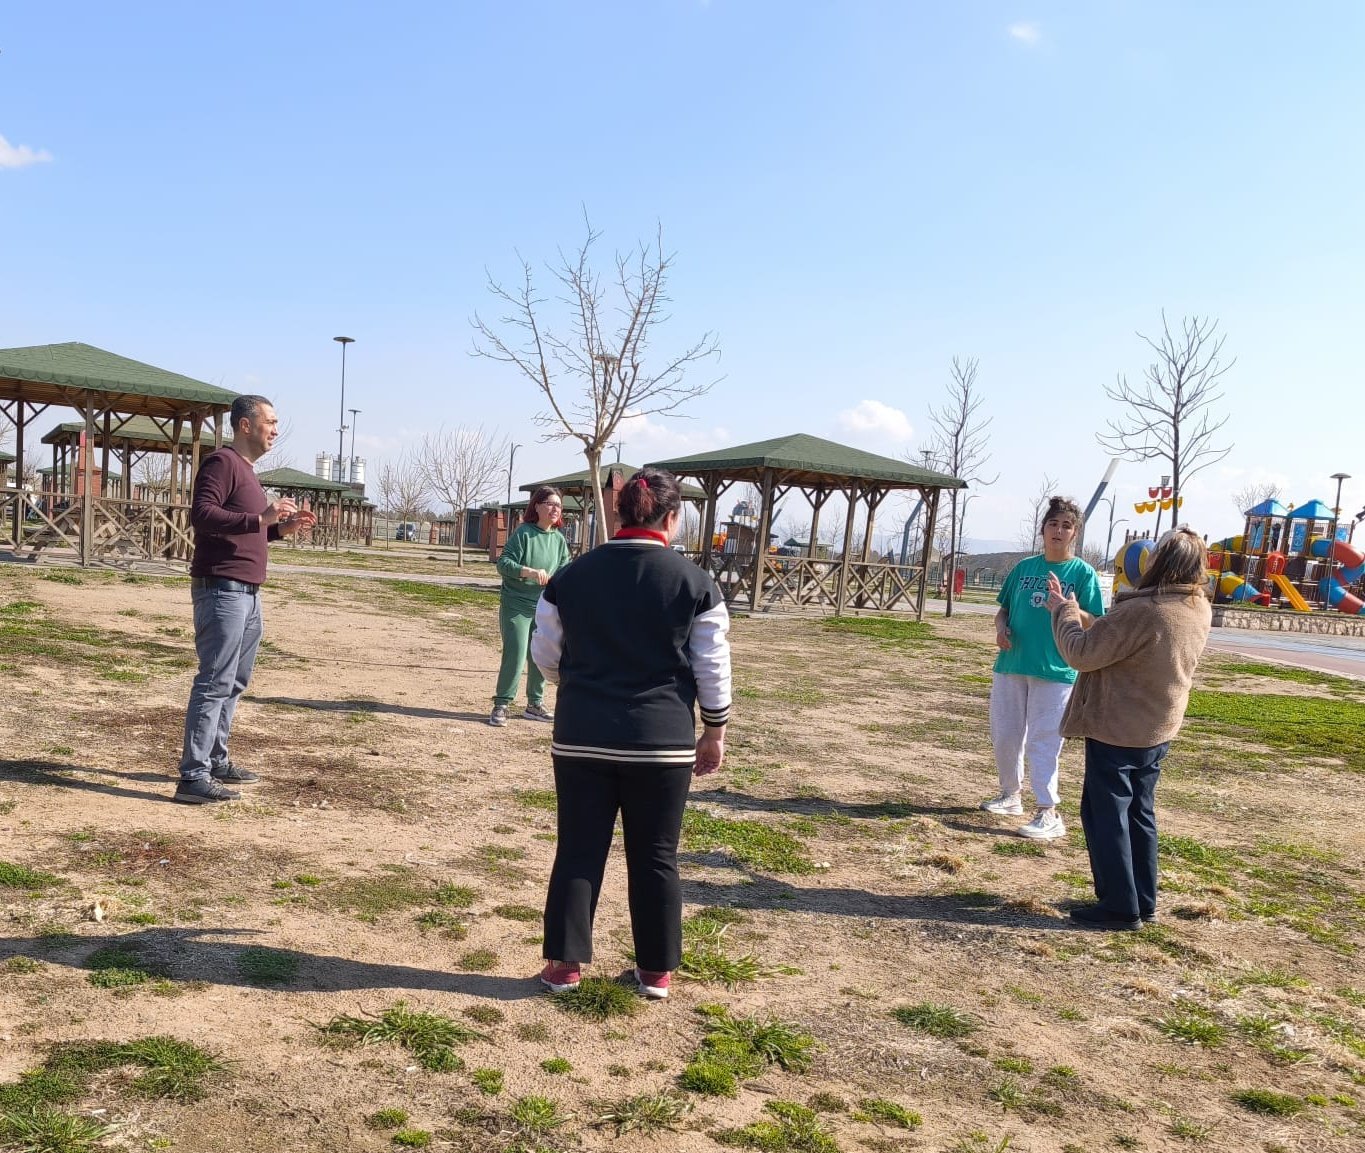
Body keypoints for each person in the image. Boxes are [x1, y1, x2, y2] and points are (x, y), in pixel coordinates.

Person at [530, 468, 731, 1001]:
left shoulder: (571, 577)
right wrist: (714, 729)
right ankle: (656, 971)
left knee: (578, 847)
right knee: (656, 854)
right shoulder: (697, 584)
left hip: (582, 734)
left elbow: (545, 655)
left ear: (617, 514)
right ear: (672, 517)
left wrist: (576, 685)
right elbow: (711, 666)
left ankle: (564, 965)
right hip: (662, 740)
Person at [1048, 527, 1212, 930]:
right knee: (1140, 812)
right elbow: (1121, 639)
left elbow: (1083, 653)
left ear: (1160, 563)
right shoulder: (1196, 607)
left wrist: (1064, 612)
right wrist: (1084, 615)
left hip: (1118, 727)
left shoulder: (1143, 610)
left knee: (1106, 815)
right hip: (1157, 727)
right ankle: (1142, 898)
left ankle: (1120, 906)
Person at [175, 395, 315, 803]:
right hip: (222, 589)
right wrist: (261, 518)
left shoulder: (249, 473)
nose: (276, 429)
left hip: (247, 593)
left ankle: (215, 760)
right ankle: (193, 776)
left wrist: (278, 531)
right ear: (245, 425)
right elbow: (201, 515)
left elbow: (247, 529)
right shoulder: (222, 463)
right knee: (215, 680)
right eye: (270, 421)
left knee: (234, 681)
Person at [981, 496, 1104, 839]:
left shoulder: (1082, 573)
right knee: (1006, 735)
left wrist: (1069, 608)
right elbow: (1003, 609)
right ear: (1043, 529)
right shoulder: (1024, 568)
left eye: (1066, 526)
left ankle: (1048, 812)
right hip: (1012, 663)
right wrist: (1000, 628)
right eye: (1053, 524)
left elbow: (1096, 622)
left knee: (1043, 739)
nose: (1058, 531)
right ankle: (1010, 795)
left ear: (1074, 534)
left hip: (1056, 669)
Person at [490, 485, 573, 727]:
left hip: (544, 607)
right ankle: (501, 704)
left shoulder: (558, 540)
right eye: (550, 504)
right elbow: (504, 564)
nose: (555, 509)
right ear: (537, 506)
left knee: (541, 654)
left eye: (558, 505)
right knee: (515, 653)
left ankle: (534, 704)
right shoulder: (524, 533)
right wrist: (528, 572)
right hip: (516, 604)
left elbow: (565, 571)